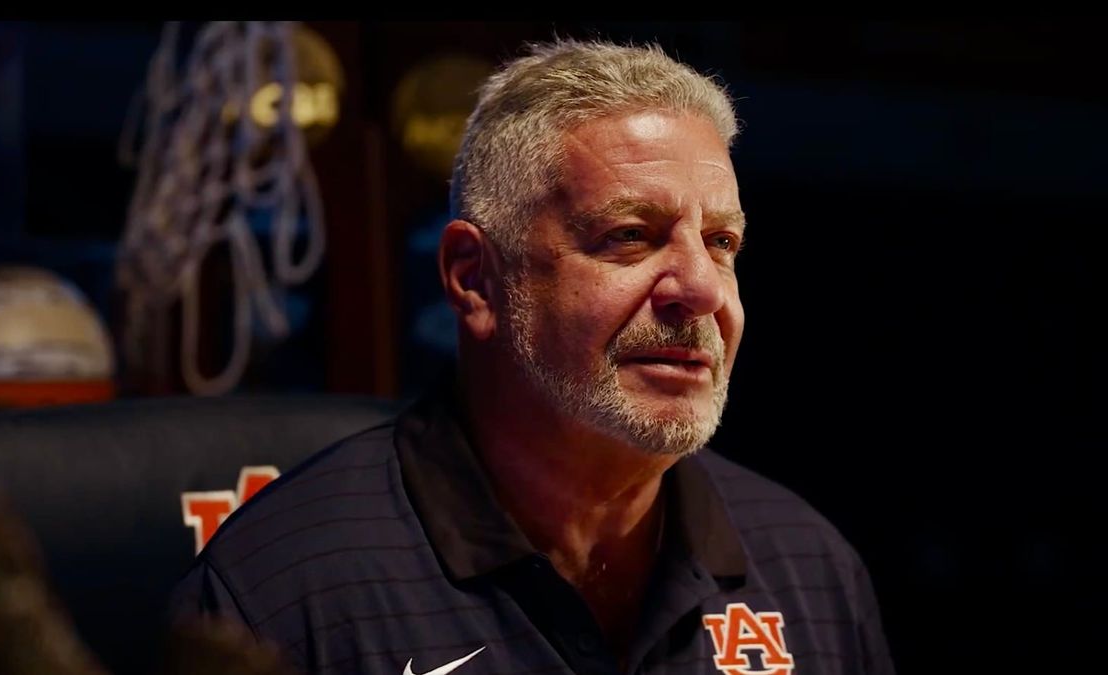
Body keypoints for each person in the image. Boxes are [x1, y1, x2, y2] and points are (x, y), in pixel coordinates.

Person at [172, 38, 896, 675]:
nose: (702, 289)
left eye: (722, 242)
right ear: (474, 277)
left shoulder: (809, 568)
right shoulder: (283, 594)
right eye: (629, 236)